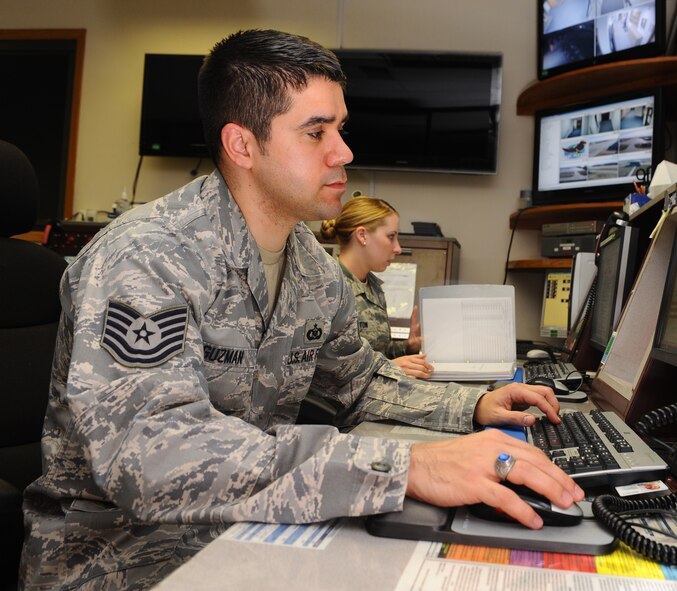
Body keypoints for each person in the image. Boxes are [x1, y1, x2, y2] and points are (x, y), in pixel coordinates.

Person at [19, 29, 584, 590]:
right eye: (316, 133)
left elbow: (358, 385)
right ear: (243, 145)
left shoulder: (311, 265)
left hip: (247, 533)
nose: (344, 152)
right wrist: (408, 467)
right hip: (122, 558)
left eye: (340, 128)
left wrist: (475, 407)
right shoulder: (146, 256)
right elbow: (154, 452)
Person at [320, 196, 433, 378]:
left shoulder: (373, 287)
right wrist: (388, 368)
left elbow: (378, 352)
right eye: (391, 237)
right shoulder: (328, 287)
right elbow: (324, 369)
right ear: (362, 236)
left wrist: (408, 347)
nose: (397, 248)